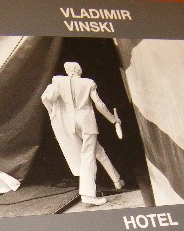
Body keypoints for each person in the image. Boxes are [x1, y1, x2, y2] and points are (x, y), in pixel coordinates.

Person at [41, 62, 124, 205]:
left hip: (72, 123)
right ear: (78, 70)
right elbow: (99, 104)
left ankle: (116, 180)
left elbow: (48, 98)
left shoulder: (59, 82)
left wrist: (54, 112)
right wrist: (113, 119)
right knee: (87, 156)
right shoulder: (88, 83)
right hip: (86, 122)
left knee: (98, 151)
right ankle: (87, 194)